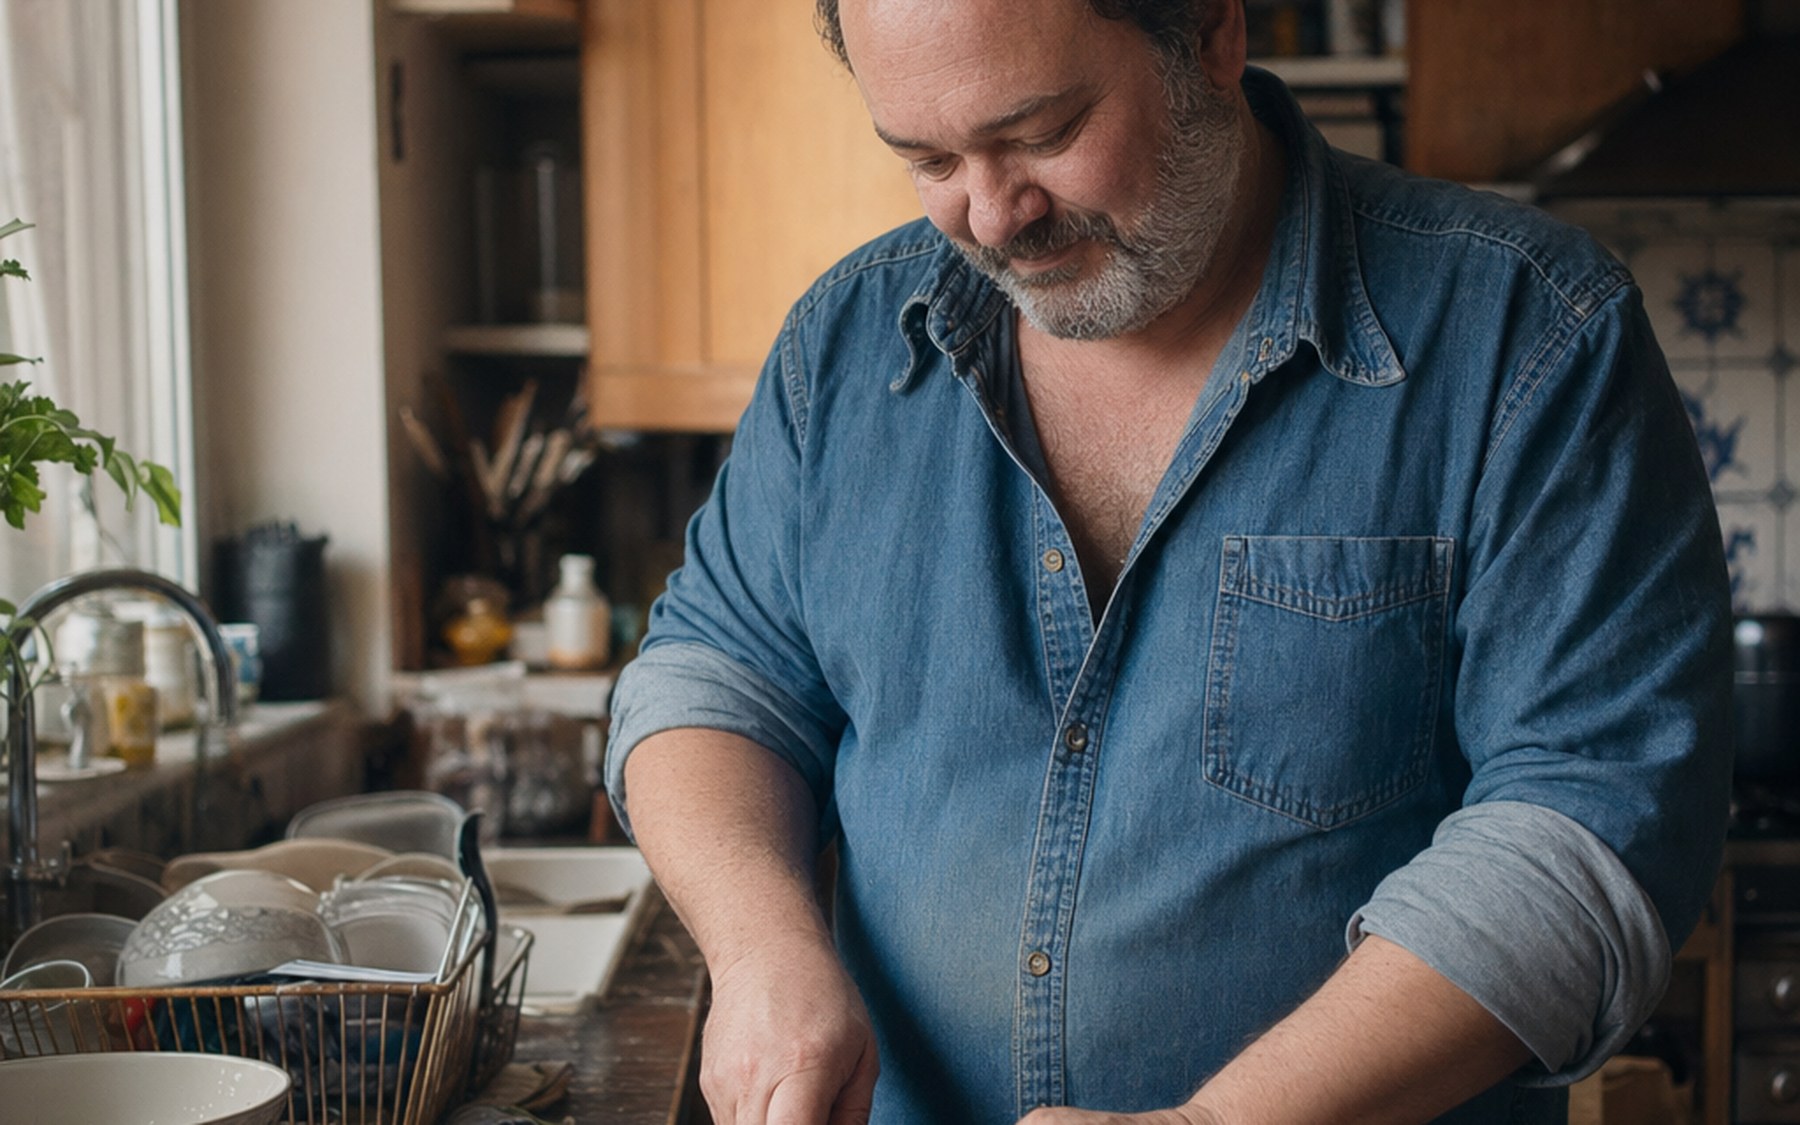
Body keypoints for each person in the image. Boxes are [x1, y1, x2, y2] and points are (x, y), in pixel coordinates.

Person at [604, 0, 1734, 1121]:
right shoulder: (841, 345)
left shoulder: (1528, 337)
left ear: (1210, 36)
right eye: (930, 157)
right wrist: (759, 951)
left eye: (1043, 134)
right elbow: (716, 679)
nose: (994, 217)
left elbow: (1588, 820)